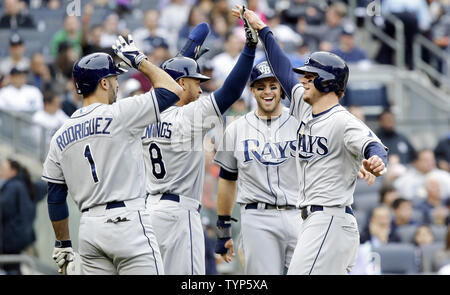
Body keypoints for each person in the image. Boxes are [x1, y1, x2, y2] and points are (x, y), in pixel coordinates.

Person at [235, 5, 388, 275]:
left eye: (310, 75)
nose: (303, 79)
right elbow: (282, 69)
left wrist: (376, 158)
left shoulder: (343, 121)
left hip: (329, 218)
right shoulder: (304, 107)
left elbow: (372, 144)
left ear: (327, 82)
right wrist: (263, 30)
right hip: (315, 221)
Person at [41, 35, 182, 275]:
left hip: (89, 231)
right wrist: (140, 61)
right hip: (128, 222)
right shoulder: (120, 113)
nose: (117, 84)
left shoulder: (59, 135)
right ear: (104, 83)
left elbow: (55, 197)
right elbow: (173, 90)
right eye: (115, 78)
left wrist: (63, 243)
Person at [143, 19, 256, 275]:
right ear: (181, 84)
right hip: (179, 215)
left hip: (150, 211)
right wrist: (249, 48)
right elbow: (232, 90)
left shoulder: (147, 112)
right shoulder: (188, 117)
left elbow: (166, 84)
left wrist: (186, 54)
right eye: (195, 81)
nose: (201, 86)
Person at [213, 61, 301, 275]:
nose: (267, 92)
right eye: (261, 87)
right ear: (252, 90)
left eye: (273, 86)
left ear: (282, 89)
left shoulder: (300, 122)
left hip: (299, 215)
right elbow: (227, 179)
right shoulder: (235, 129)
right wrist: (223, 229)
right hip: (258, 217)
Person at [0, 158, 36, 275]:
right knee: (13, 266)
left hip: (10, 239)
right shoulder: (23, 185)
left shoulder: (12, 187)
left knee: (10, 268)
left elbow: (3, 209)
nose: (1, 171)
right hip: (19, 238)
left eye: (3, 169)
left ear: (13, 172)